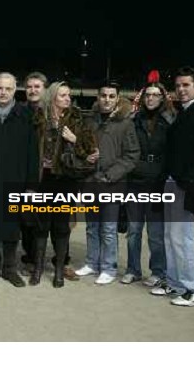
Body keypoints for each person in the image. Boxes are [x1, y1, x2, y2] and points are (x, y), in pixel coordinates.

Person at [150, 66, 194, 306]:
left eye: (186, 85)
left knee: (183, 238)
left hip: (185, 185)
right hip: (172, 182)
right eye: (178, 85)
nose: (180, 90)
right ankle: (176, 283)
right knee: (171, 236)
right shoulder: (185, 112)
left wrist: (187, 183)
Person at [30, 81, 97, 287]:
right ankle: (38, 269)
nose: (68, 98)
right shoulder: (38, 119)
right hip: (43, 179)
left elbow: (92, 154)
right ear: (52, 97)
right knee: (40, 227)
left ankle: (59, 270)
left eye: (69, 95)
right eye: (62, 95)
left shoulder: (78, 119)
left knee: (61, 227)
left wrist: (75, 139)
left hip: (66, 180)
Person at [0, 73, 38, 287]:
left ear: (15, 90)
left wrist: (30, 186)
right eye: (0, 88)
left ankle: (10, 269)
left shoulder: (25, 116)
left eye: (8, 89)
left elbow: (33, 153)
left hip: (16, 179)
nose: (3, 92)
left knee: (12, 224)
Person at [75, 82, 140, 284]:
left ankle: (109, 268)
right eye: (103, 95)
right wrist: (86, 160)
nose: (107, 99)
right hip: (90, 182)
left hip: (112, 183)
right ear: (98, 97)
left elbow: (132, 155)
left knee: (109, 229)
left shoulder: (125, 123)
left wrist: (110, 175)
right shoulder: (89, 121)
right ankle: (92, 262)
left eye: (112, 96)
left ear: (117, 98)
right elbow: (82, 148)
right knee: (92, 226)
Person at [121, 72, 175, 286]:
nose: (151, 98)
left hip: (157, 183)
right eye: (148, 95)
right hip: (135, 181)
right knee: (134, 230)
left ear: (162, 98)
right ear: (143, 98)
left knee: (155, 233)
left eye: (155, 95)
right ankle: (133, 269)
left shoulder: (170, 121)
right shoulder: (134, 120)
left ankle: (158, 271)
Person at [20, 71, 47, 271]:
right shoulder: (20, 113)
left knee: (53, 220)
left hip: (49, 175)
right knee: (27, 220)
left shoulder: (53, 112)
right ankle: (31, 257)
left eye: (37, 86)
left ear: (45, 89)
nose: (32, 90)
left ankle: (60, 259)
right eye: (29, 86)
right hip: (27, 176)